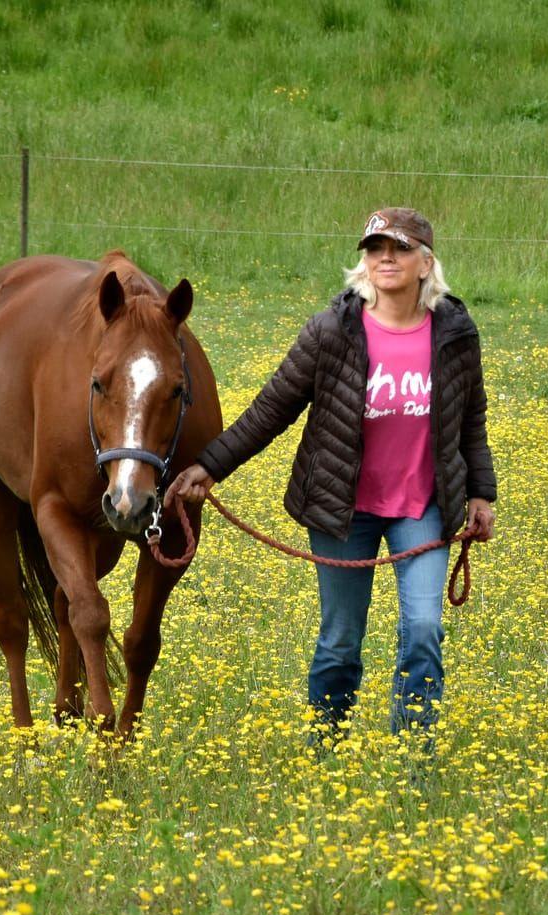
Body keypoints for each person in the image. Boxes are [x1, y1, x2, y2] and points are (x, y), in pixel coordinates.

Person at [167, 207, 496, 750]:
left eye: (399, 248)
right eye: (374, 249)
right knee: (341, 639)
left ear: (425, 263)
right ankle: (326, 747)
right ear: (364, 263)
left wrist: (482, 493)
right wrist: (209, 466)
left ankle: (414, 753)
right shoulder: (331, 331)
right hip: (343, 508)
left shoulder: (455, 333)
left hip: (426, 508)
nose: (385, 257)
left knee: (423, 631)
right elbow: (272, 409)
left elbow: (472, 418)